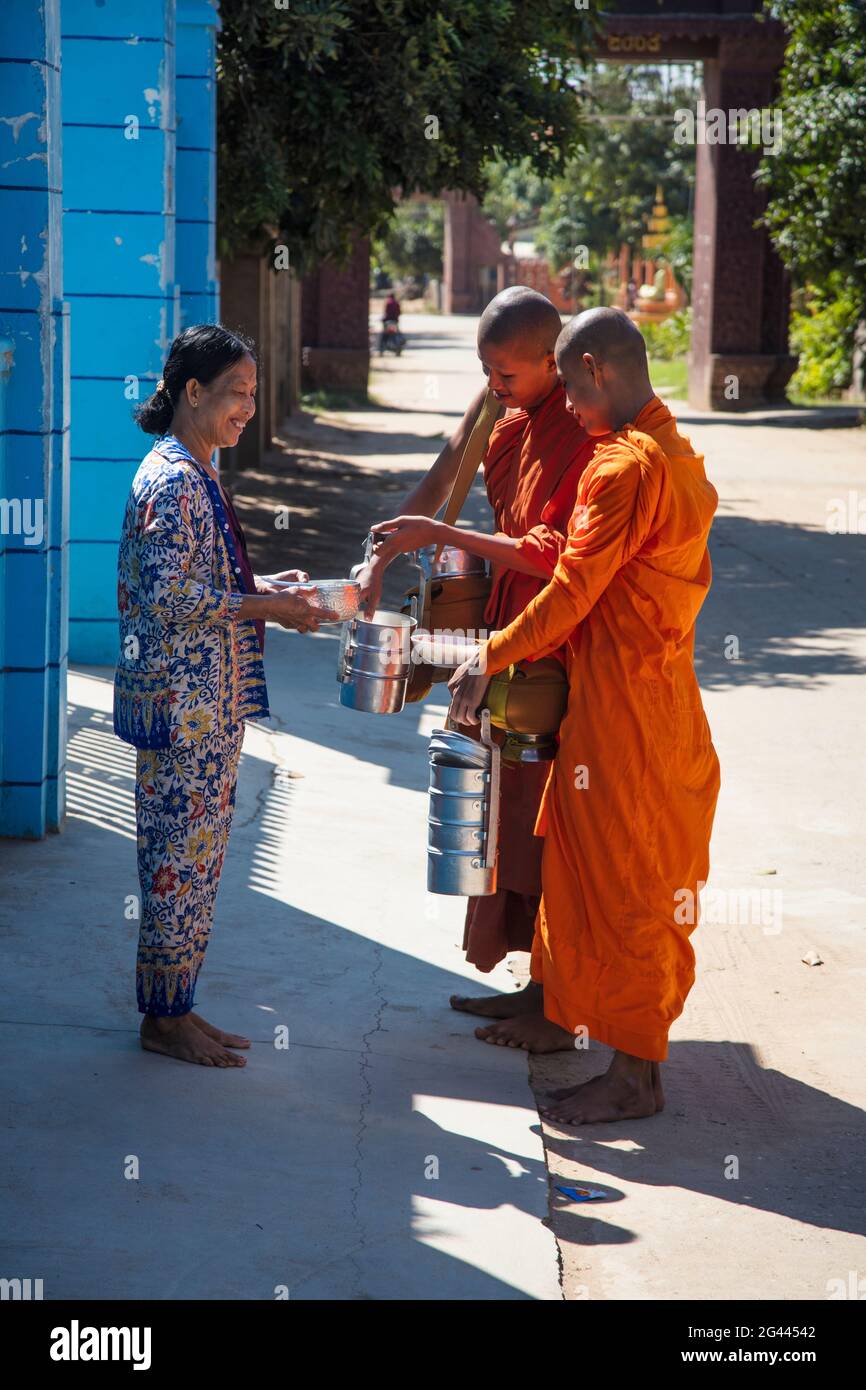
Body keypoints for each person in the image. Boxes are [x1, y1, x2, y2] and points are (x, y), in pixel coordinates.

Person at [448, 307, 720, 1124]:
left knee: (631, 882)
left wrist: (487, 655)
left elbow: (571, 591)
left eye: (567, 385)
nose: (563, 405)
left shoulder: (624, 469)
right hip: (648, 706)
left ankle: (636, 1073)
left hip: (629, 716)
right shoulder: (671, 450)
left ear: (596, 368)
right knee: (581, 867)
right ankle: (568, 1012)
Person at [114, 324, 335, 1068]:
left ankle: (178, 1007)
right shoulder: (174, 479)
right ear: (192, 391)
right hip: (183, 712)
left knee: (199, 864)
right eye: (236, 392)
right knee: (178, 864)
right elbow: (171, 593)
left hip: (207, 706)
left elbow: (199, 578)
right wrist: (270, 609)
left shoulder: (195, 469)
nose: (247, 406)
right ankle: (164, 1021)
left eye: (252, 392)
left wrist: (263, 587)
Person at [364, 286, 594, 994]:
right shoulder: (500, 404)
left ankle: (553, 992)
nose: (494, 388)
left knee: (542, 804)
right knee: (492, 792)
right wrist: (383, 553)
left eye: (508, 376)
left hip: (553, 630)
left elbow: (551, 553)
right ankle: (528, 976)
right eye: (487, 373)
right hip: (497, 625)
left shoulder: (582, 420)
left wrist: (440, 536)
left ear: (553, 364)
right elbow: (447, 471)